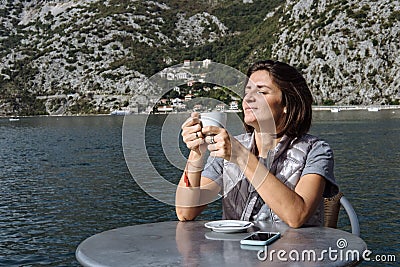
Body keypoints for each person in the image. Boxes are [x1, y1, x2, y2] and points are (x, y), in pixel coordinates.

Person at [175, 60, 339, 228]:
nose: (248, 98)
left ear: (287, 104)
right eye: (247, 92)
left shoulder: (316, 150)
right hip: (236, 252)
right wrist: (196, 152)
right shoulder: (230, 149)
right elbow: (185, 212)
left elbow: (297, 215)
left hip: (292, 253)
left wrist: (241, 157)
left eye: (261, 92)